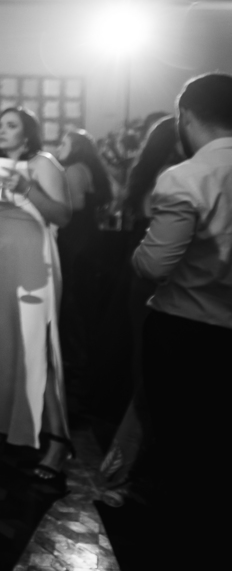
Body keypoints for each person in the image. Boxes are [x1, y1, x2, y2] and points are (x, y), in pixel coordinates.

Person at [132, 73, 232, 567]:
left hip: (187, 331)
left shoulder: (185, 177)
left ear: (186, 117)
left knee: (181, 448)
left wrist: (137, 253)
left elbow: (153, 266)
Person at [0, 107, 72, 481]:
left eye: (11, 126)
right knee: (0, 344)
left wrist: (26, 188)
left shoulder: (43, 163)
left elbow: (63, 215)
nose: (1, 131)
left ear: (28, 135)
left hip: (32, 264)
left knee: (36, 346)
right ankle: (4, 423)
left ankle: (58, 441)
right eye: (0, 126)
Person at [96, 116, 182, 504]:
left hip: (146, 271)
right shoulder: (174, 176)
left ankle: (137, 462)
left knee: (146, 365)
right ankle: (137, 465)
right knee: (151, 368)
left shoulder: (159, 175)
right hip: (156, 275)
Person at [53, 129, 113, 405]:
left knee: (73, 301)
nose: (59, 147)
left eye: (64, 143)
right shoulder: (88, 168)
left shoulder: (75, 169)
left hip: (75, 239)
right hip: (88, 238)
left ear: (76, 147)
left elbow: (75, 204)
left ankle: (76, 364)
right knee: (83, 301)